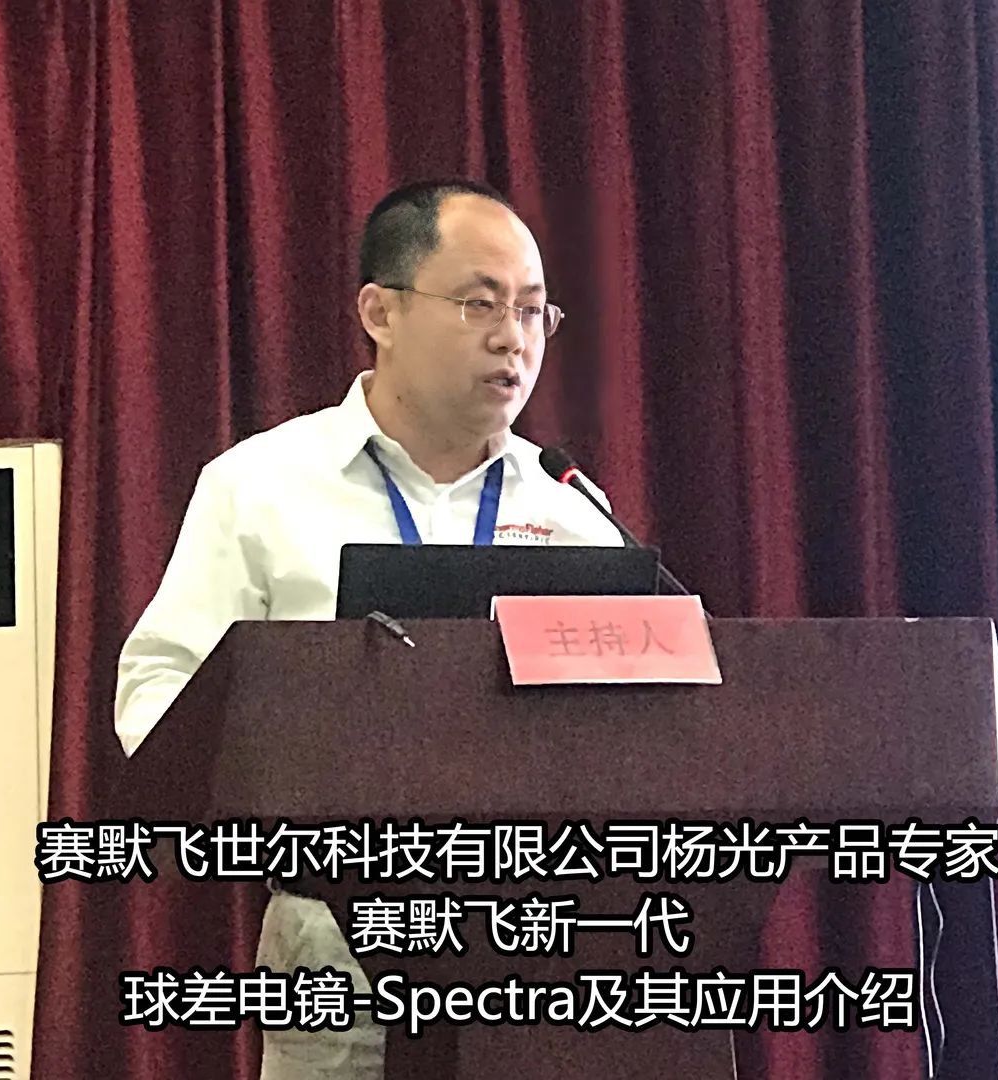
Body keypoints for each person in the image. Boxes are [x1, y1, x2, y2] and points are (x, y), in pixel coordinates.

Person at [114, 179, 622, 1079]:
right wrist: (288, 786)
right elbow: (157, 695)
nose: (514, 338)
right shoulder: (261, 486)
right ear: (380, 313)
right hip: (335, 933)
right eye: (480, 304)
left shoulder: (574, 515)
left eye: (533, 311)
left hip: (534, 939)